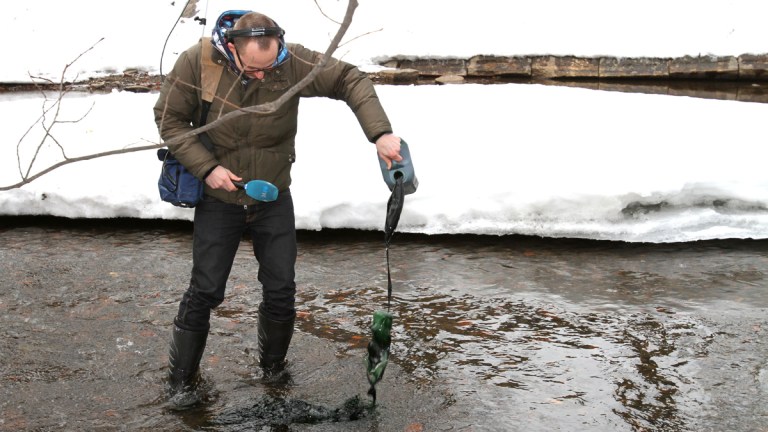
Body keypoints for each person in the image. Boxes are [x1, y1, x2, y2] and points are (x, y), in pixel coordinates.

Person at [153, 10, 403, 405]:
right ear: (231, 48)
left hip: (273, 197)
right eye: (252, 69)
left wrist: (380, 132)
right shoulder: (199, 62)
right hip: (220, 198)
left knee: (282, 289)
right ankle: (181, 383)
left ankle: (273, 375)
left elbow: (348, 77)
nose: (261, 76)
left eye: (268, 68)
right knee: (205, 291)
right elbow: (169, 121)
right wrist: (207, 168)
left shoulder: (290, 62)